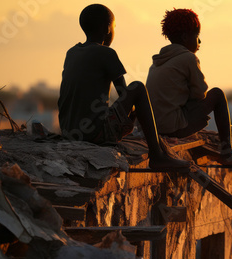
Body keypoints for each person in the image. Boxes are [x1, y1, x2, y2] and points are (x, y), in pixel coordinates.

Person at [58, 4, 189, 170]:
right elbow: (124, 93)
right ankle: (157, 155)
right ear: (107, 28)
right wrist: (136, 115)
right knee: (138, 87)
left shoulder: (71, 52)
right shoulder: (106, 53)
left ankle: (157, 153)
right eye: (114, 27)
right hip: (93, 134)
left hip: (69, 132)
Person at [146, 8, 232, 166]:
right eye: (197, 36)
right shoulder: (188, 58)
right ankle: (227, 153)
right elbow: (201, 94)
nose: (199, 42)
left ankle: (227, 153)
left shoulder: (158, 62)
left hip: (155, 129)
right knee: (217, 94)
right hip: (174, 128)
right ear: (185, 37)